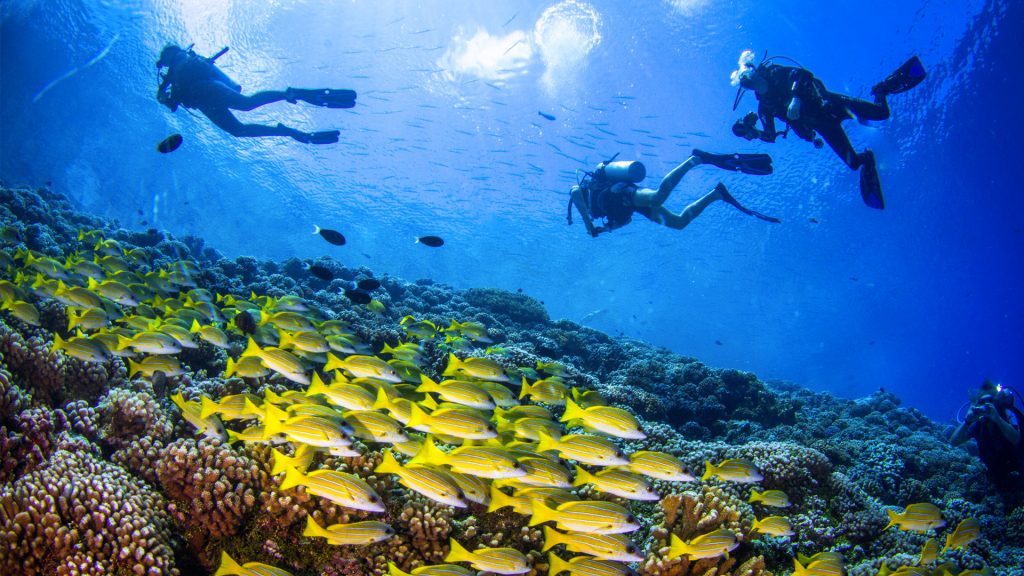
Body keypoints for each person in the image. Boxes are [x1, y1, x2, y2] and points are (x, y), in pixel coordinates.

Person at [730, 50, 926, 210]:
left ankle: (881, 89)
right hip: (823, 125)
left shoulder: (775, 73)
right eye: (743, 81)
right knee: (853, 163)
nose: (747, 80)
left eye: (747, 75)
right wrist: (755, 132)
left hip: (830, 104)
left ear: (754, 70)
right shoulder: (764, 107)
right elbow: (770, 135)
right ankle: (867, 159)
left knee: (881, 113)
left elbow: (803, 74)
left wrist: (796, 98)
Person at [156, 43, 357, 144]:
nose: (163, 62)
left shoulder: (179, 61)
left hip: (205, 88)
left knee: (246, 104)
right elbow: (173, 105)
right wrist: (165, 98)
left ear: (169, 54)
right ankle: (286, 130)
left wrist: (163, 91)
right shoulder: (174, 75)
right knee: (238, 130)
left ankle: (290, 94)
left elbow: (175, 92)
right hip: (204, 102)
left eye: (164, 58)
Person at [567, 150, 780, 237]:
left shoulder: (583, 191)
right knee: (679, 223)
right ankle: (717, 194)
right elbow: (625, 221)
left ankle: (694, 160)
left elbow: (574, 192)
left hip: (622, 193)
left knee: (658, 196)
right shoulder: (597, 213)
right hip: (631, 207)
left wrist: (588, 225)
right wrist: (605, 229)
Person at [951, 380, 1024, 500]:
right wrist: (967, 421)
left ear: (997, 403)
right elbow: (954, 442)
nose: (986, 405)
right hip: (996, 473)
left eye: (991, 400)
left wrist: (997, 419)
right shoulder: (978, 424)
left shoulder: (1007, 416)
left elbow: (1017, 440)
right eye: (982, 402)